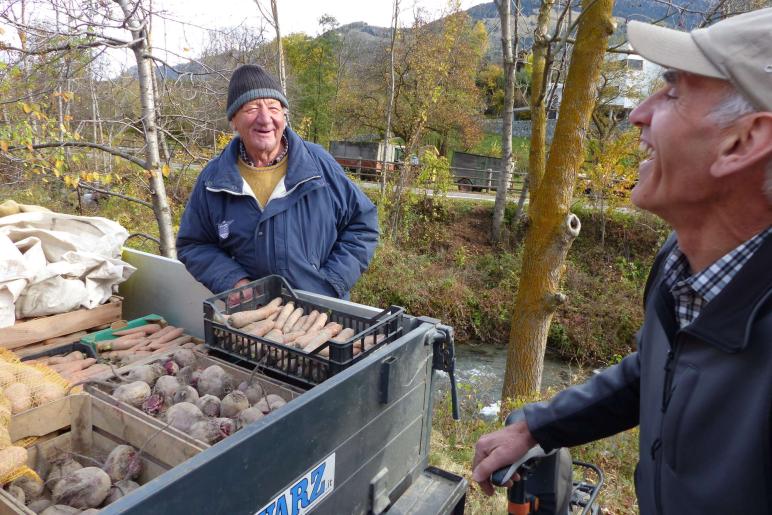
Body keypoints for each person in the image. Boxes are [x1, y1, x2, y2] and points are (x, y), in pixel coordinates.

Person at [472, 9, 772, 514]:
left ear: (745, 141)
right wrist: (536, 426)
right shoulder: (683, 262)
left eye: (674, 91)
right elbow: (659, 370)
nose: (639, 113)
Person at [176, 65, 379, 299]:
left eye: (273, 107)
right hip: (255, 319)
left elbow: (363, 223)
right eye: (252, 108)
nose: (265, 119)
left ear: (284, 115)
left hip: (323, 315)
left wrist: (333, 281)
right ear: (233, 121)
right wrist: (233, 280)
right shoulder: (213, 180)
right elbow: (194, 244)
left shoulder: (319, 165)